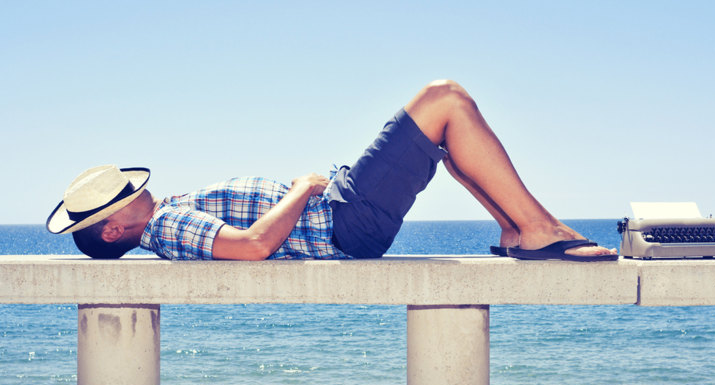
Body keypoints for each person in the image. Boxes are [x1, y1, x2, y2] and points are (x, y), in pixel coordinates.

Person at [47, 80, 618, 262]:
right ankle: (539, 230)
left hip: (342, 212)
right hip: (342, 219)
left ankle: (517, 230)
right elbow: (249, 247)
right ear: (114, 229)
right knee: (445, 101)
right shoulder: (164, 227)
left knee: (445, 142)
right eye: (119, 197)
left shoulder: (163, 218)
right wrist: (301, 188)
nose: (132, 191)